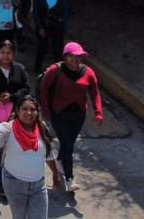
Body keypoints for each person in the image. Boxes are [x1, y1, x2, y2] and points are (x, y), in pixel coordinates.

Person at [40, 42, 103, 192]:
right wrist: (45, 110)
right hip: (59, 113)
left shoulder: (88, 72)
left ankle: (60, 160)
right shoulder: (55, 70)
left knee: (69, 142)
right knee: (67, 144)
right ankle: (69, 179)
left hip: (79, 114)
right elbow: (44, 89)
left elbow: (95, 92)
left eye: (78, 57)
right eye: (72, 57)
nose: (75, 61)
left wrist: (98, 112)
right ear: (65, 57)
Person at [0, 95, 59, 217]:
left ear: (37, 112)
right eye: (24, 109)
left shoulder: (42, 127)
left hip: (39, 185)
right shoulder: (7, 128)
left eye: (33, 109)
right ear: (17, 111)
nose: (29, 112)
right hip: (14, 184)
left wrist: (55, 174)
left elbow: (49, 154)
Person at [0, 39, 31, 198]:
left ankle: (13, 173)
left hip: (16, 114)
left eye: (9, 53)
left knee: (15, 144)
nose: (5, 56)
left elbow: (26, 89)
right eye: (3, 52)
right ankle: (1, 183)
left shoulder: (19, 69)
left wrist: (13, 97)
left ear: (13, 54)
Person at [32, 0, 69, 72]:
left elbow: (65, 13)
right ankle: (37, 67)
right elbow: (35, 12)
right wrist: (40, 27)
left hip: (57, 26)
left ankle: (59, 70)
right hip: (43, 26)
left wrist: (65, 30)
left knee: (57, 49)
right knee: (42, 47)